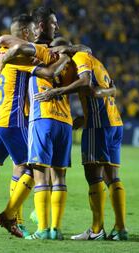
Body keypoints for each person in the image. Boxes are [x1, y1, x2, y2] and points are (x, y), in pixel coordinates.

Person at [0, 14, 70, 238]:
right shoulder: (20, 58)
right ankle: (10, 216)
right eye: (33, 30)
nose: (36, 33)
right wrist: (63, 59)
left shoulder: (1, 54)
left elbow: (4, 39)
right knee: (30, 168)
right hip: (12, 121)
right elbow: (48, 73)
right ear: (26, 33)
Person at [35, 42, 128, 241]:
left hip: (98, 125)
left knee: (93, 175)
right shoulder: (97, 62)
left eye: (56, 51)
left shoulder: (79, 58)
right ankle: (120, 229)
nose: (54, 55)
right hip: (114, 122)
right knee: (112, 177)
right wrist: (83, 118)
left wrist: (56, 92)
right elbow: (107, 90)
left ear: (65, 49)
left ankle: (96, 230)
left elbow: (86, 83)